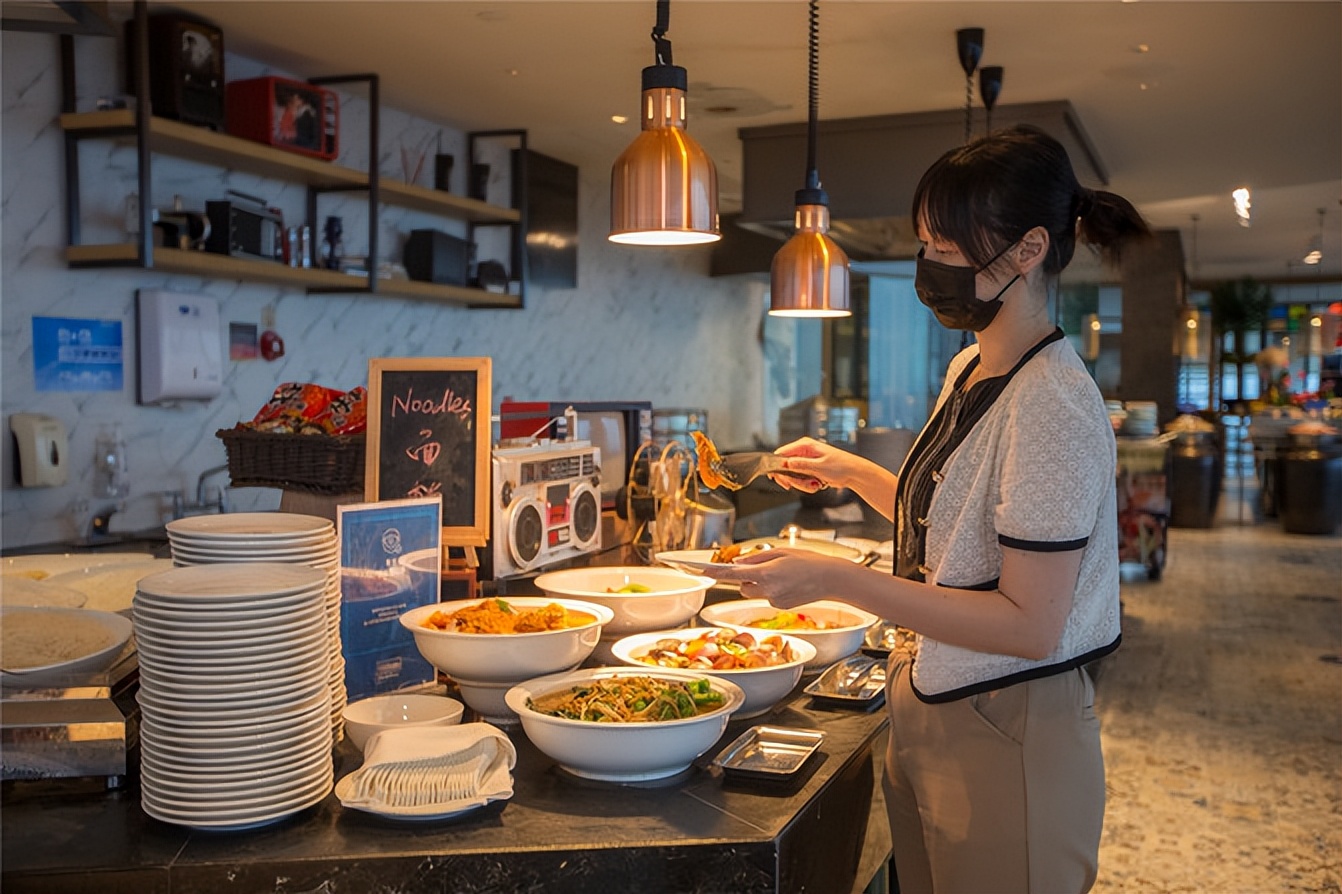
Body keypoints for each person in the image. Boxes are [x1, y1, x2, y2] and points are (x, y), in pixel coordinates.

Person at [710, 124, 1151, 894]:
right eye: (925, 243)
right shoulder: (971, 368)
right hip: (930, 704)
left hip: (1008, 728)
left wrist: (835, 579)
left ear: (1028, 249)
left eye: (947, 246)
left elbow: (1028, 624)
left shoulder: (1052, 402)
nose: (929, 264)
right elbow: (956, 533)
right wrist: (850, 472)